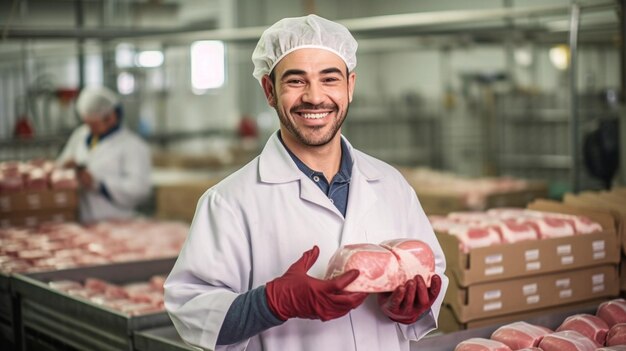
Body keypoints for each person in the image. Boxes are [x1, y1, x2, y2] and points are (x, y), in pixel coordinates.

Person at [164, 14, 448, 351]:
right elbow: (192, 312)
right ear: (269, 91)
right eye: (296, 81)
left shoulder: (390, 184)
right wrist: (271, 303)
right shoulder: (229, 201)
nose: (315, 97)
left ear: (350, 86)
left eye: (329, 79)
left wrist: (411, 307)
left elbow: (434, 271)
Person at [57, 86, 152, 223]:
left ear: (111, 117)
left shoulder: (133, 146)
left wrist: (99, 184)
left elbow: (139, 190)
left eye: (94, 125)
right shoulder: (80, 135)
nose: (90, 129)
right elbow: (61, 163)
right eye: (88, 124)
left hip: (118, 223)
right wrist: (65, 168)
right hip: (83, 221)